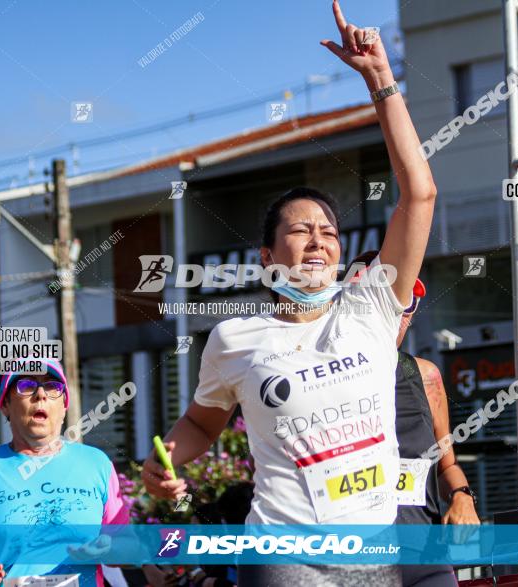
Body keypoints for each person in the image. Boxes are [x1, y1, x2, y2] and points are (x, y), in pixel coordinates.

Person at [142, 1, 438, 583]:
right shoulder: (234, 338)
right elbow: (202, 425)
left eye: (328, 232)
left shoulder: (372, 306)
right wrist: (165, 459)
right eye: (299, 232)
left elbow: (420, 194)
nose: (318, 243)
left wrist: (381, 80)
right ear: (268, 257)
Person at [0, 359, 129, 587]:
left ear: (65, 404)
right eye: (25, 385)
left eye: (52, 386)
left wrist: (111, 549)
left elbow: (130, 546)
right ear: (5, 404)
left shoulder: (96, 463)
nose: (41, 395)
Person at [348, 251, 479, 587]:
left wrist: (462, 497)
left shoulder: (425, 375)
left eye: (407, 303)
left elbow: (447, 464)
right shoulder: (326, 377)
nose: (400, 314)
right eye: (388, 299)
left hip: (424, 555)